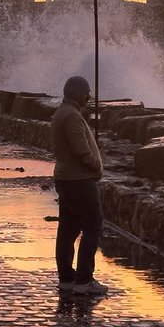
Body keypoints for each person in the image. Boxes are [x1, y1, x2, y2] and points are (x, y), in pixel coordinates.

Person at [51, 74, 106, 295]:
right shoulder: (72, 116)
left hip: (66, 178)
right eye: (86, 92)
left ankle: (66, 278)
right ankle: (84, 280)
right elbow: (80, 150)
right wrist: (96, 166)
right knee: (93, 227)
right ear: (76, 93)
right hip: (79, 180)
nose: (88, 96)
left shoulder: (61, 113)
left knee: (68, 230)